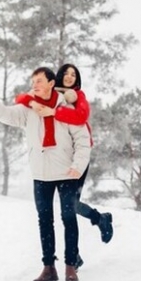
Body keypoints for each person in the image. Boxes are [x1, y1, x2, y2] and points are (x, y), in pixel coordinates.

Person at [0, 67, 91, 281]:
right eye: (33, 81)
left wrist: (77, 166)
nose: (35, 85)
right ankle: (48, 268)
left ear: (51, 83)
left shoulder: (66, 107)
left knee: (68, 218)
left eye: (39, 81)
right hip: (41, 174)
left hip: (66, 173)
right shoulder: (28, 108)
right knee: (45, 220)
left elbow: (82, 140)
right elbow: (8, 115)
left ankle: (71, 266)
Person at [15, 63, 113, 251]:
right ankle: (77, 252)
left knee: (71, 205)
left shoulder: (77, 96)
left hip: (78, 156)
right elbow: (21, 98)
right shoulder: (48, 94)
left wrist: (54, 112)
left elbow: (81, 116)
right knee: (66, 207)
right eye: (66, 73)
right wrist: (32, 103)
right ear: (58, 76)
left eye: (73, 75)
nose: (69, 77)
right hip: (55, 158)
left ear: (77, 79)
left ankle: (100, 220)